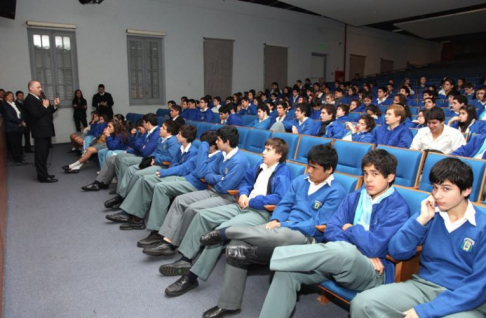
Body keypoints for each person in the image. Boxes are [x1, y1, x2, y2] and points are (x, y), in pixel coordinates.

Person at [256, 149, 410, 318]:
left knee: (345, 250)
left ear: (390, 177)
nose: (368, 179)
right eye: (366, 174)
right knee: (286, 273)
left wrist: (349, 228)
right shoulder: (355, 197)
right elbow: (331, 230)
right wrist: (357, 248)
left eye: (375, 174)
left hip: (373, 271)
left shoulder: (398, 208)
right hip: (339, 258)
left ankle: (267, 254)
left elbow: (374, 247)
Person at [200, 144, 346, 318]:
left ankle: (227, 231)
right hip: (280, 227)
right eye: (309, 166)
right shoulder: (300, 181)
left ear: (329, 170)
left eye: (314, 168)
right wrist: (277, 219)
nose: (309, 171)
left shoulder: (337, 191)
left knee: (283, 233)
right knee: (238, 244)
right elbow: (284, 204)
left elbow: (317, 224)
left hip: (306, 236)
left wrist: (284, 225)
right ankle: (228, 304)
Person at [351, 158, 486, 318]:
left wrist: (424, 311)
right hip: (424, 286)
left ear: (466, 190)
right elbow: (397, 251)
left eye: (446, 189)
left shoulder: (482, 226)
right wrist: (420, 221)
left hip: (466, 299)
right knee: (362, 304)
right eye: (435, 188)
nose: (437, 195)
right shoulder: (430, 213)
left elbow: (479, 286)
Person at [161, 138, 292, 296]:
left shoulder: (283, 173)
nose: (263, 152)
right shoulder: (260, 165)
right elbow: (246, 181)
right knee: (203, 215)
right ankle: (186, 259)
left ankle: (191, 277)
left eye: (268, 150)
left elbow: (280, 198)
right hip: (242, 205)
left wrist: (253, 201)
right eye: (264, 148)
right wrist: (243, 193)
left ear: (279, 155)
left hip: (261, 212)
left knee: (221, 231)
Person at [141, 126, 249, 257]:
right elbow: (205, 172)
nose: (216, 142)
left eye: (219, 140)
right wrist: (217, 178)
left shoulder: (239, 161)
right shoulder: (222, 155)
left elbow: (224, 187)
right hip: (213, 190)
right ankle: (166, 238)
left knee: (192, 208)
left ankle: (172, 244)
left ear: (227, 142)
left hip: (227, 197)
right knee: (180, 200)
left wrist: (214, 179)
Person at [106, 124, 199, 229]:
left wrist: (165, 172)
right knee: (144, 179)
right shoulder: (181, 148)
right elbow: (175, 163)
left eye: (179, 134)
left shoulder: (193, 152)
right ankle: (134, 216)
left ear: (185, 137)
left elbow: (182, 169)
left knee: (147, 179)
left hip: (179, 176)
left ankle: (135, 217)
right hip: (172, 172)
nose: (176, 135)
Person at [23, 80, 59, 183]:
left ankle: (44, 174)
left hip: (45, 129)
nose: (41, 89)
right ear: (31, 88)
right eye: (38, 87)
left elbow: (47, 113)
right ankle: (43, 177)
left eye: (40, 87)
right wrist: (44, 106)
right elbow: (36, 114)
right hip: (40, 131)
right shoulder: (29, 100)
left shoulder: (38, 98)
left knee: (44, 153)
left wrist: (54, 106)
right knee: (40, 154)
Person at [62, 120, 129, 173]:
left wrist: (107, 136)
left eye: (109, 126)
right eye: (107, 126)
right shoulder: (113, 133)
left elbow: (111, 146)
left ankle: (75, 165)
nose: (107, 128)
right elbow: (96, 134)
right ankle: (103, 171)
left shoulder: (119, 135)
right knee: (99, 151)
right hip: (106, 144)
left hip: (118, 149)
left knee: (91, 150)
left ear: (116, 127)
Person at [2, 91, 27, 165]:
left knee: (18, 143)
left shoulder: (15, 104)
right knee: (14, 143)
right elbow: (10, 116)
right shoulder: (4, 105)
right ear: (6, 97)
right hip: (11, 127)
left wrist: (22, 120)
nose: (11, 97)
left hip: (18, 126)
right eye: (9, 96)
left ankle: (19, 156)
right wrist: (20, 122)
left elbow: (21, 113)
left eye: (12, 96)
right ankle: (16, 159)